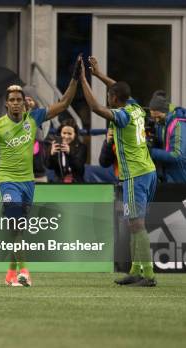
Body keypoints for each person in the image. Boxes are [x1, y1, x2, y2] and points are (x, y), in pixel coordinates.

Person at [0, 55, 80, 287]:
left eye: (20, 99)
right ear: (6, 104)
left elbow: (64, 103)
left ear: (24, 102)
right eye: (13, 100)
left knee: (16, 230)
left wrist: (75, 79)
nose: (17, 103)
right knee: (16, 226)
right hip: (7, 181)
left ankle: (10, 273)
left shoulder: (34, 118)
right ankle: (24, 273)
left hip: (29, 182)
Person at [79, 56, 157, 287]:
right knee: (134, 222)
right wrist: (99, 74)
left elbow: (95, 108)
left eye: (109, 95)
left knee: (136, 223)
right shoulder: (135, 108)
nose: (108, 97)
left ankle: (148, 275)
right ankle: (136, 271)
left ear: (114, 99)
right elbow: (118, 88)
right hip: (148, 170)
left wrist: (83, 79)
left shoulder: (122, 116)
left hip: (135, 174)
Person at [148, 90, 186, 183]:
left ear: (166, 111)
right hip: (167, 178)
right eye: (154, 118)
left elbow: (177, 155)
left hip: (180, 179)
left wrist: (151, 151)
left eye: (158, 117)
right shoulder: (162, 122)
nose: (156, 121)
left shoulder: (178, 124)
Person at [46, 118, 87, 183]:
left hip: (77, 184)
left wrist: (70, 153)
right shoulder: (54, 146)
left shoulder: (81, 147)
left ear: (75, 134)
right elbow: (49, 166)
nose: (66, 136)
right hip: (59, 184)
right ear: (60, 133)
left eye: (69, 133)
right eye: (64, 133)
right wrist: (52, 155)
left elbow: (80, 169)